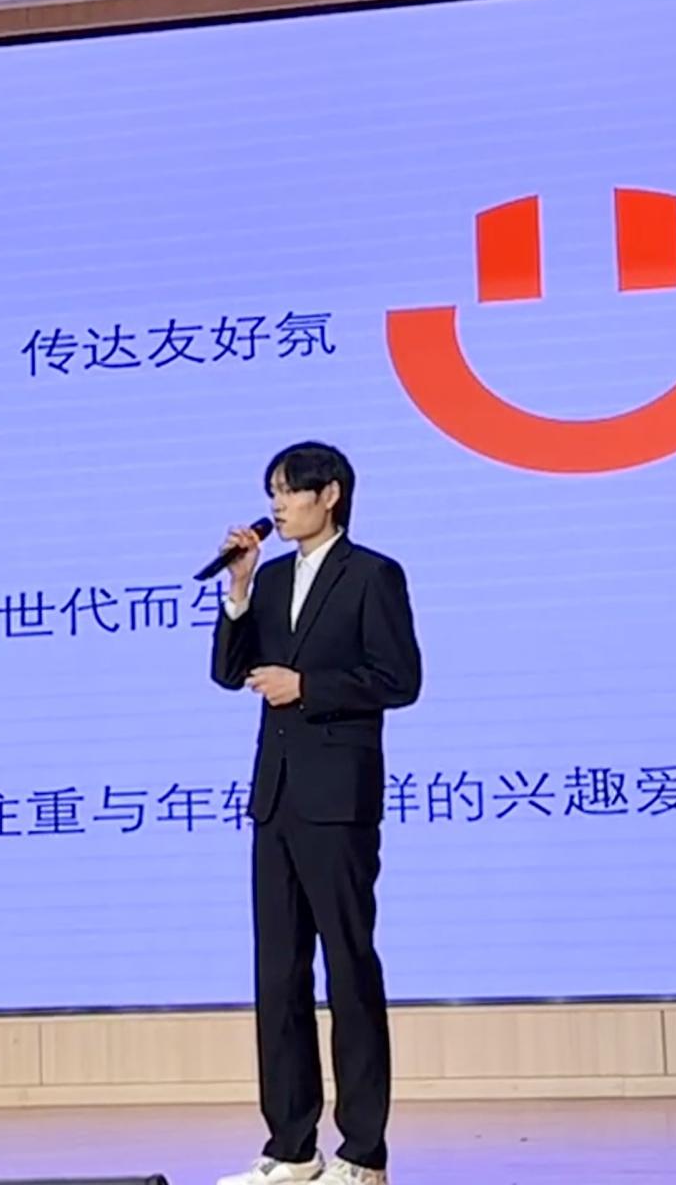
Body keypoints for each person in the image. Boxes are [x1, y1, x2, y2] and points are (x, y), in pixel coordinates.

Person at [210, 442, 422, 1185]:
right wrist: (238, 591)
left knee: (349, 969)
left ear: (329, 494)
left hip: (339, 799)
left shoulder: (372, 574)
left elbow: (399, 679)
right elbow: (228, 673)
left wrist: (308, 686)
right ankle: (292, 1147)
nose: (277, 504)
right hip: (275, 797)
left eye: (289, 490)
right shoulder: (268, 578)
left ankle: (364, 1153)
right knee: (279, 976)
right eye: (271, 490)